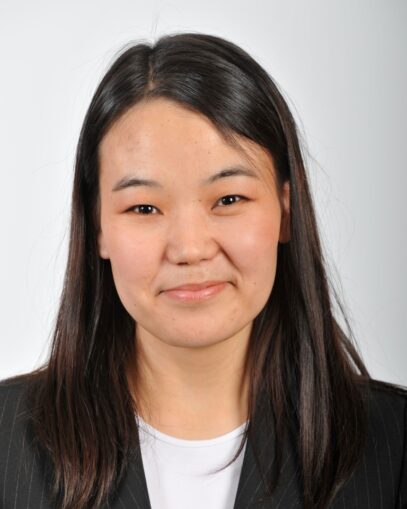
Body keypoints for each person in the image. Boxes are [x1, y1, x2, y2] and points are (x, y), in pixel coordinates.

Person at [0, 32, 406, 509]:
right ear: (98, 229)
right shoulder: (8, 440)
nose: (190, 249)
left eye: (229, 199)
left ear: (285, 211)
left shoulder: (393, 447)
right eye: (145, 208)